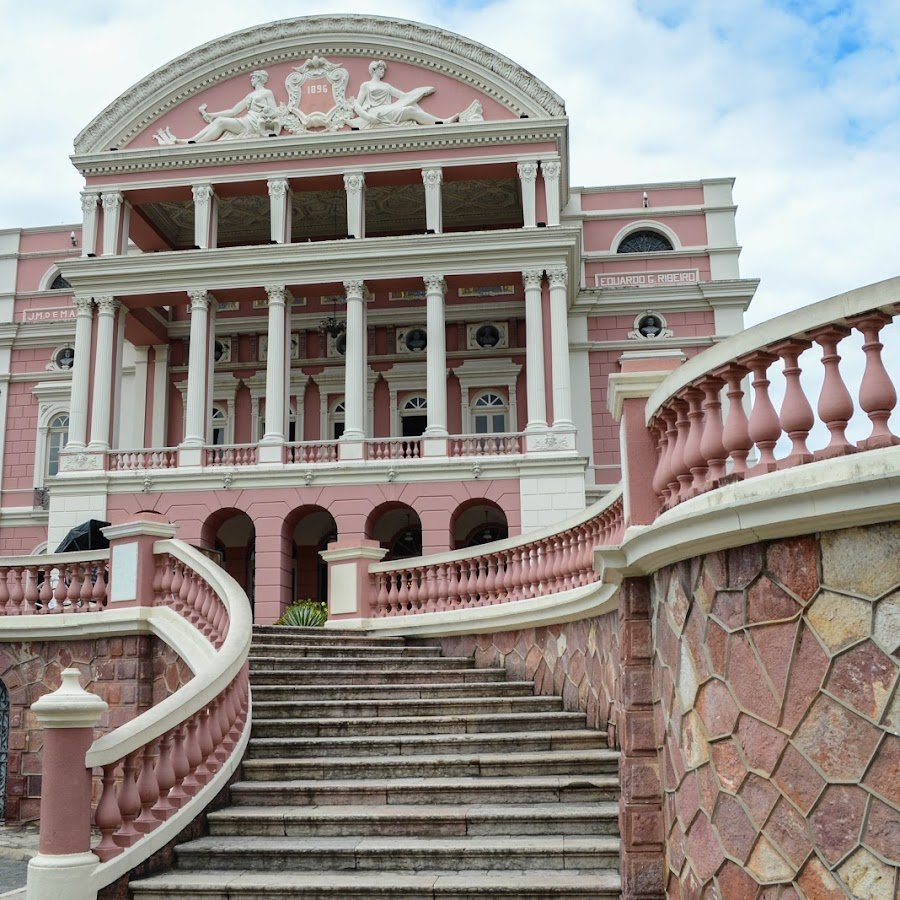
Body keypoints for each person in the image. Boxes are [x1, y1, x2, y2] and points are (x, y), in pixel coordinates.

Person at [156, 71, 279, 144]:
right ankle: (192, 140)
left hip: (255, 124)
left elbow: (275, 112)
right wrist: (211, 115)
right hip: (247, 120)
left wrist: (268, 111)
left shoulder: (267, 93)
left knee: (221, 122)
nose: (251, 80)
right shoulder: (250, 95)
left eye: (253, 77)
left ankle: (195, 142)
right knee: (219, 120)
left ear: (260, 79)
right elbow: (233, 111)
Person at [350, 61, 457, 129]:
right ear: (374, 70)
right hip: (375, 112)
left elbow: (404, 96)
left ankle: (441, 122)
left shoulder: (386, 86)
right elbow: (357, 106)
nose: (383, 71)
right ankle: (442, 122)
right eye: (380, 69)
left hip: (387, 110)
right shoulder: (366, 85)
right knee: (409, 110)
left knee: (410, 108)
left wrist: (421, 93)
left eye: (383, 69)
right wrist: (369, 118)